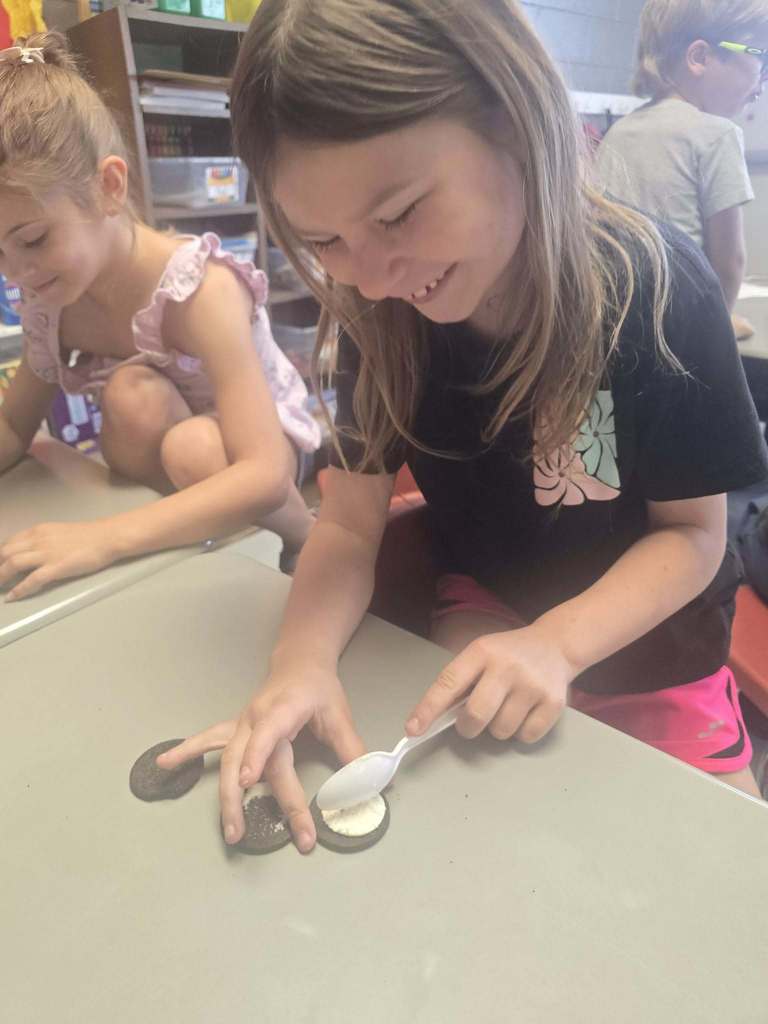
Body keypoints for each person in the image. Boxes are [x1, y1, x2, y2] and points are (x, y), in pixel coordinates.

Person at [159, 0, 768, 852]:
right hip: (493, 604)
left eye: (400, 213)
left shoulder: (655, 292)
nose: (370, 278)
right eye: (325, 239)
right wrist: (298, 664)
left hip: (653, 648)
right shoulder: (381, 318)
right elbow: (347, 524)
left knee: (713, 861)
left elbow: (693, 540)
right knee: (481, 846)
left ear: (514, 124)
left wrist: (557, 646)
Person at [0, 33, 321, 598]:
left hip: (263, 449)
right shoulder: (52, 302)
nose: (17, 273)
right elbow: (12, 426)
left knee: (192, 449)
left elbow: (264, 471)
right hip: (167, 437)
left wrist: (104, 538)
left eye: (33, 239)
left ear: (108, 187)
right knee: (130, 395)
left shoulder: (201, 290)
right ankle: (189, 533)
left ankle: (304, 537)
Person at [596, 0, 768, 314]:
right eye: (761, 56)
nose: (762, 80)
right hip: (682, 328)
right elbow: (730, 263)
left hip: (614, 320)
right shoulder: (718, 134)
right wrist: (721, 332)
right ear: (700, 57)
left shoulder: (618, 132)